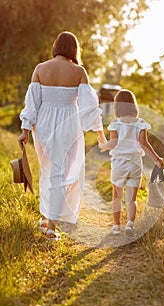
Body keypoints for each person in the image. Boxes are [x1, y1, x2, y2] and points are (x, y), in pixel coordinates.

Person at [18, 31, 106, 240]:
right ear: (74, 48)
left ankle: (48, 218)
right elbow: (89, 107)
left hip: (44, 124)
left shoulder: (40, 69)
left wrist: (24, 130)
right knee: (64, 174)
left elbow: (32, 104)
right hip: (69, 123)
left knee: (50, 171)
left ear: (56, 46)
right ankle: (51, 227)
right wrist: (100, 133)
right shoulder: (78, 71)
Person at [98, 89, 164, 234]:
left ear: (117, 106)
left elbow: (113, 143)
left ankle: (116, 226)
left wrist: (103, 145)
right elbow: (144, 143)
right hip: (135, 164)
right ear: (133, 105)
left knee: (117, 196)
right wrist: (157, 159)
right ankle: (129, 224)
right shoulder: (140, 123)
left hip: (119, 163)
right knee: (131, 199)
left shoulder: (116, 123)